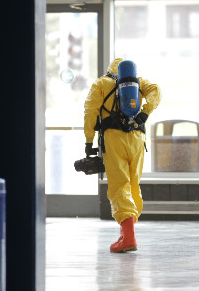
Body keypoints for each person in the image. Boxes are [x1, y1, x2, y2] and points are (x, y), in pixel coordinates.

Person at [84, 58, 161, 253]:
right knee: (133, 184)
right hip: (137, 138)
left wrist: (88, 141)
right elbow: (156, 91)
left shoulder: (101, 83)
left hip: (114, 139)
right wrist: (145, 112)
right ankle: (126, 233)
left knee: (120, 185)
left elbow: (90, 111)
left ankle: (128, 237)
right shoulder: (138, 82)